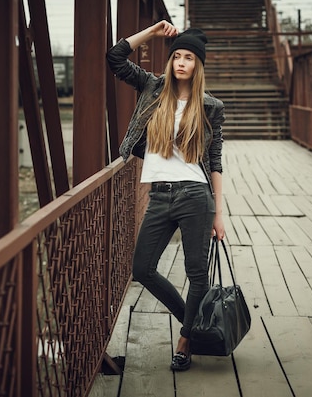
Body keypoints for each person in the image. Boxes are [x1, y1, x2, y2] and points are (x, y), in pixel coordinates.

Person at [106, 20, 226, 371]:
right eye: (177, 56)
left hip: (195, 196)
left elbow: (215, 162)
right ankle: (195, 323)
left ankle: (186, 340)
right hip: (159, 195)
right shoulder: (152, 87)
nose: (181, 62)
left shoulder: (211, 107)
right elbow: (114, 58)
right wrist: (153, 32)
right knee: (142, 269)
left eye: (189, 57)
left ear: (198, 65)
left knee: (197, 274)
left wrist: (219, 212)